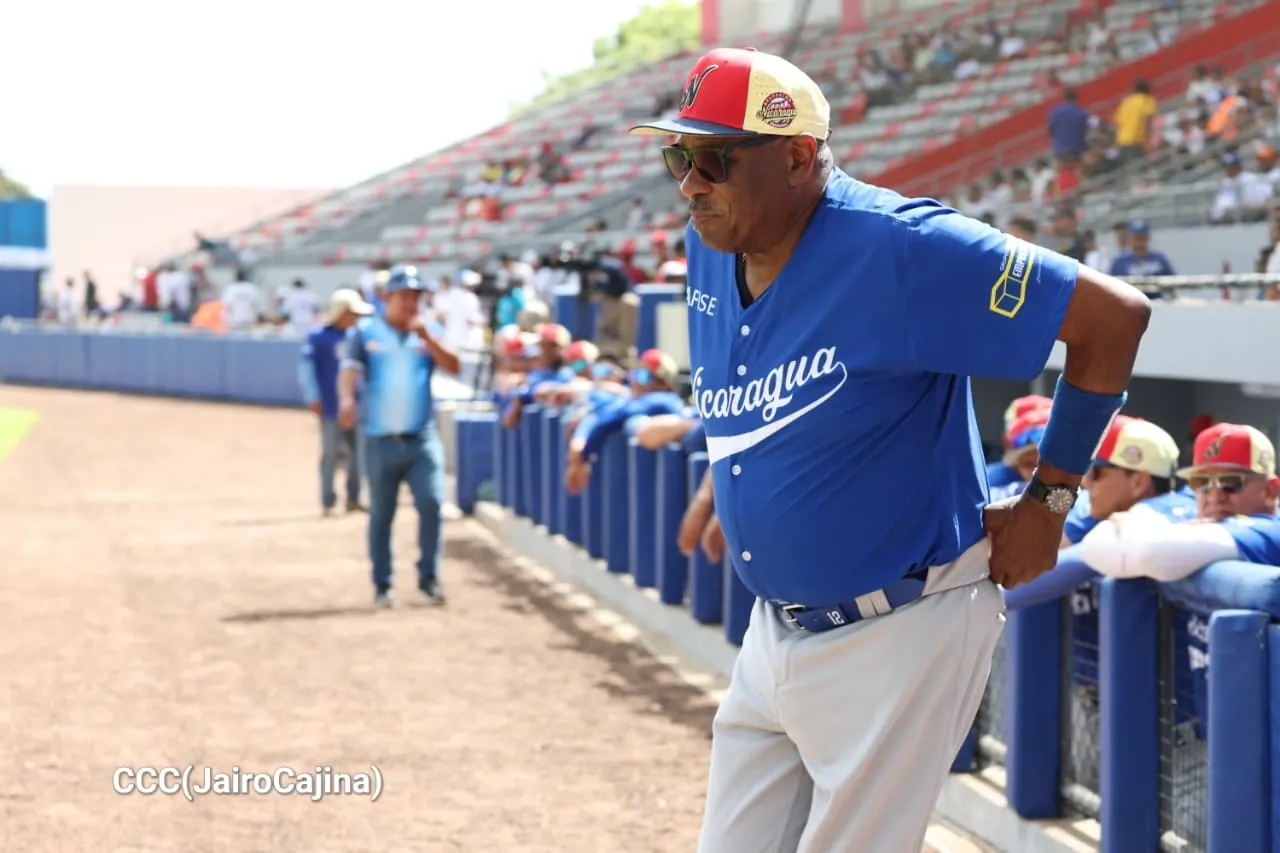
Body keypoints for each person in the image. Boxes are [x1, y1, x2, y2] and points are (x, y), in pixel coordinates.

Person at [629, 47, 1151, 852]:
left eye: (714, 159)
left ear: (798, 155)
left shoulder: (902, 246)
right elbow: (751, 377)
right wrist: (725, 476)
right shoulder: (716, 238)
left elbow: (1113, 317)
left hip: (900, 624)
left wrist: (1051, 498)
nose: (690, 181)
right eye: (678, 155)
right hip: (775, 631)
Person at [338, 265, 462, 608]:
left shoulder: (427, 331)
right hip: (380, 439)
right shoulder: (365, 333)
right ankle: (383, 584)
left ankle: (428, 577)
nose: (410, 304)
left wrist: (428, 337)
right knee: (381, 513)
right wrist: (347, 400)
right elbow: (349, 371)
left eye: (416, 297)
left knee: (432, 503)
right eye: (404, 297)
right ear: (386, 298)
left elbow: (455, 365)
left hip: (421, 437)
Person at [300, 288, 373, 515]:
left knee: (357, 454)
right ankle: (328, 500)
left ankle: (354, 497)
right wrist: (313, 396)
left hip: (358, 405)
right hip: (330, 405)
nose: (356, 317)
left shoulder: (359, 336)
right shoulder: (318, 336)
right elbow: (307, 369)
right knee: (330, 454)